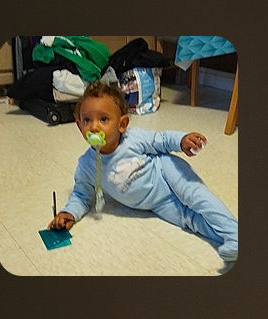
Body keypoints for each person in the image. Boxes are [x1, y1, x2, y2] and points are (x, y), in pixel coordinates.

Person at [47, 80, 238, 262]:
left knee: (195, 196)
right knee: (190, 221)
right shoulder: (87, 165)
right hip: (155, 203)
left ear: (122, 125)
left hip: (166, 172)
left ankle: (234, 232)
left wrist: (181, 141)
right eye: (87, 120)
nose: (94, 127)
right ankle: (230, 240)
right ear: (79, 126)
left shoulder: (133, 138)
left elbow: (161, 140)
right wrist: (69, 213)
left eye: (103, 119)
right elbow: (82, 194)